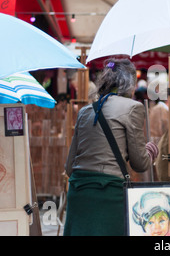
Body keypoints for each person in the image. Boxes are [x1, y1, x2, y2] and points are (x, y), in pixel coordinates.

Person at [64, 58, 159, 236]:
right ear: (129, 84)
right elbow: (140, 163)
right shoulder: (133, 108)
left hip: (79, 193)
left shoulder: (85, 111)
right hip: (108, 194)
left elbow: (69, 167)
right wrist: (149, 152)